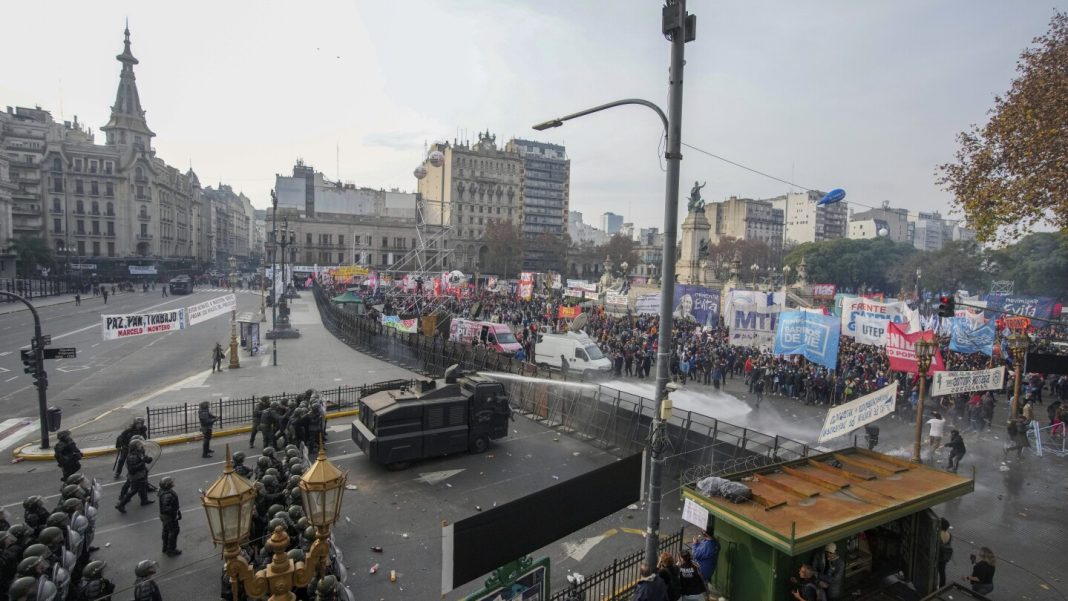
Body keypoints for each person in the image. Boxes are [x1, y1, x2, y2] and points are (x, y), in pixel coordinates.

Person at [115, 440, 153, 513]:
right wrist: (143, 462)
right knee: (134, 490)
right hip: (136, 476)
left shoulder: (139, 452)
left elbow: (145, 459)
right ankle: (121, 505)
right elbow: (132, 469)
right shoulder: (132, 456)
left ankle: (144, 500)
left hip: (141, 474)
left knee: (143, 486)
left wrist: (148, 459)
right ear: (135, 447)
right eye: (139, 445)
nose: (140, 446)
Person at [157, 477, 181, 557]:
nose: (172, 483)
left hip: (165, 516)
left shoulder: (163, 491)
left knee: (166, 531)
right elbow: (167, 508)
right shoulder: (168, 495)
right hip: (169, 516)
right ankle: (171, 549)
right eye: (171, 482)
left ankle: (165, 547)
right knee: (173, 531)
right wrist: (175, 513)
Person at [937, 518, 953, 588]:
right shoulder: (949, 534)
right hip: (944, 557)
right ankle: (942, 587)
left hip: (937, 556)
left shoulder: (938, 534)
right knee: (942, 573)